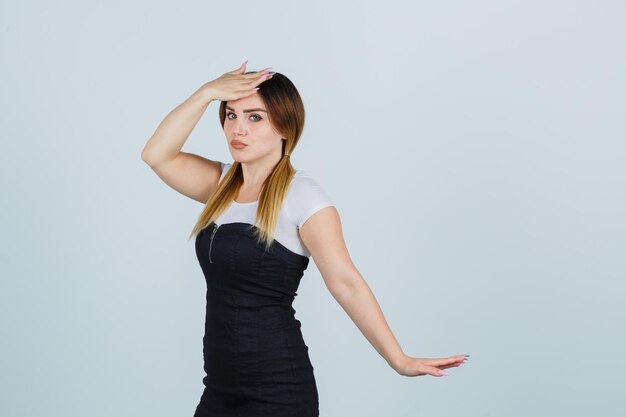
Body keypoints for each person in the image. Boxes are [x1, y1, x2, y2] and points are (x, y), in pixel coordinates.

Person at [141, 61, 470, 417]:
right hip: (219, 389)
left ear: (284, 127)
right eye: (231, 115)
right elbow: (155, 154)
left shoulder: (303, 197)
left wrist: (398, 359)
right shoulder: (220, 184)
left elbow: (346, 283)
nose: (238, 128)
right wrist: (207, 92)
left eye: (255, 118)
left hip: (278, 392)